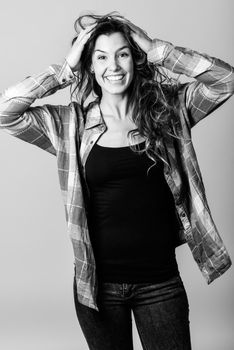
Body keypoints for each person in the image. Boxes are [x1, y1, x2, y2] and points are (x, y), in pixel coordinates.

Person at [0, 11, 233, 350]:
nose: (114, 66)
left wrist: (157, 49)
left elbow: (224, 79)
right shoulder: (71, 127)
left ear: (135, 59)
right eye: (101, 57)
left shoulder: (169, 112)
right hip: (98, 288)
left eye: (123, 53)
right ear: (89, 66)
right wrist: (65, 70)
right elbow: (6, 111)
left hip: (160, 284)